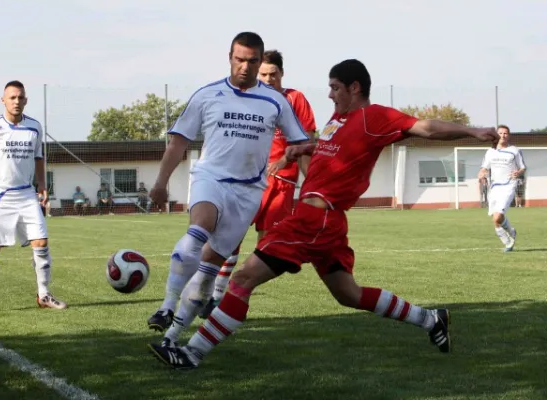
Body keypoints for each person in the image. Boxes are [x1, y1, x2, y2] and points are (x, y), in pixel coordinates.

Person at [148, 59, 500, 369]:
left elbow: (424, 127)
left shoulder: (373, 116)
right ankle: (430, 319)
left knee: (243, 280)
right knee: (348, 295)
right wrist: (303, 148)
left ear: (355, 87)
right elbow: (336, 145)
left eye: (334, 88)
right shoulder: (340, 119)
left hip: (315, 219)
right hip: (324, 222)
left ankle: (191, 353)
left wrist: (472, 131)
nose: (329, 95)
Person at [147, 32, 310, 345]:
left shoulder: (276, 101)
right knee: (200, 228)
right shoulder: (208, 94)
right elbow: (179, 140)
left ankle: (172, 336)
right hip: (211, 178)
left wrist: (314, 185)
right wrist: (160, 182)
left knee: (209, 269)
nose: (245, 67)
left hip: (248, 193)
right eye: (239, 59)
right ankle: (167, 305)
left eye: (252, 61)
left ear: (260, 61)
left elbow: (301, 143)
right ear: (229, 57)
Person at [199, 49, 317, 319]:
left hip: (281, 184)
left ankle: (234, 294)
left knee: (270, 245)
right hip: (247, 182)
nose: (268, 79)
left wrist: (309, 184)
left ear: (282, 74)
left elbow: (306, 143)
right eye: (263, 74)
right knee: (230, 238)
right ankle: (215, 297)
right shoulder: (250, 100)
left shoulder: (295, 99)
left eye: (272, 74)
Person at [0, 80, 68, 316]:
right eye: (12, 97)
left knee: (41, 243)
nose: (16, 101)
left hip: (26, 194)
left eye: (20, 97)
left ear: (26, 100)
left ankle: (43, 295)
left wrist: (42, 184)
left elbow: (39, 157)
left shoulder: (34, 127)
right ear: (3, 100)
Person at [478, 125, 526, 252]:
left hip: (509, 185)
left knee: (498, 216)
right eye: (500, 133)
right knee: (495, 218)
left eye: (505, 133)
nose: (503, 135)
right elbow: (484, 168)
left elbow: (522, 167)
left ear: (508, 135)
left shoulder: (515, 150)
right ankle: (508, 239)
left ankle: (510, 235)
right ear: (496, 135)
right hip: (494, 186)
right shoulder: (490, 152)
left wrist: (518, 172)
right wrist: (481, 174)